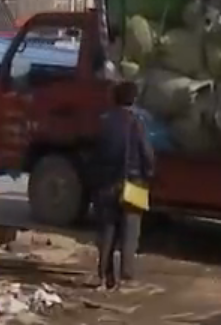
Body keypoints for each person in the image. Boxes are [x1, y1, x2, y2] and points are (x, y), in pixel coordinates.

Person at [90, 80, 155, 291]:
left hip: (107, 183)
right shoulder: (138, 122)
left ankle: (105, 277)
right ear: (134, 99)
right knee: (130, 231)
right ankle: (126, 278)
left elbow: (94, 153)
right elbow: (146, 153)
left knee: (107, 230)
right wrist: (149, 175)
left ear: (114, 98)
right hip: (134, 183)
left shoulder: (103, 121)